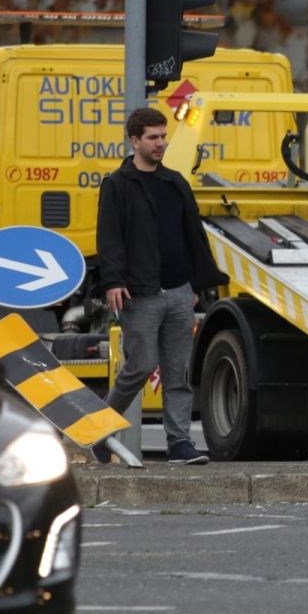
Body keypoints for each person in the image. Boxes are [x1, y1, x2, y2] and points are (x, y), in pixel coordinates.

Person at [95, 107, 229, 465]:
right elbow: (109, 236)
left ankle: (180, 444)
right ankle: (99, 429)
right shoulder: (117, 185)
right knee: (140, 367)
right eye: (153, 138)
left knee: (177, 373)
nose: (161, 143)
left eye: (163, 136)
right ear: (134, 140)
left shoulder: (175, 182)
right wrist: (113, 281)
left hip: (180, 292)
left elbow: (193, 235)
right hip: (140, 292)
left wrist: (196, 281)